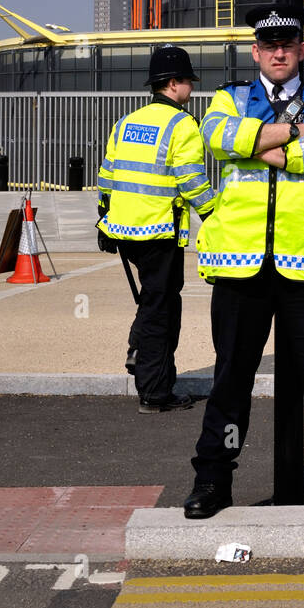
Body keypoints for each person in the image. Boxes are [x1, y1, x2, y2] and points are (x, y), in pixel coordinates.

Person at [184, 3, 304, 518]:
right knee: (231, 379)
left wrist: (256, 143)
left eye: (287, 44)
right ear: (255, 52)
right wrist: (295, 134)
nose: (278, 52)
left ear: (302, 50)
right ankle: (213, 481)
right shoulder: (225, 99)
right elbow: (219, 139)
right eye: (268, 45)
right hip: (238, 262)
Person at [97, 44, 216, 414]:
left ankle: (138, 349)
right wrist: (215, 214)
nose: (191, 89)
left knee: (153, 301)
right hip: (159, 231)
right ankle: (155, 392)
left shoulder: (126, 122)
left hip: (122, 229)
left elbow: (106, 175)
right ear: (175, 83)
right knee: (163, 310)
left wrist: (104, 217)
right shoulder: (183, 124)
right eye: (189, 82)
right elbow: (191, 179)